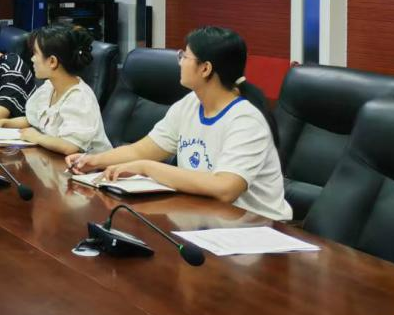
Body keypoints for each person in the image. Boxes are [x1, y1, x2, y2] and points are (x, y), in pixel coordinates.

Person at [65, 26, 292, 221]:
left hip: (256, 228)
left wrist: (147, 168)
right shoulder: (191, 103)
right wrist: (93, 160)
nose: (180, 62)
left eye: (185, 56)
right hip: (206, 217)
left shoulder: (246, 120)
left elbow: (225, 188)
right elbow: (143, 149)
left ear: (205, 68)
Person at [0, 25, 111, 155]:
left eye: (35, 53)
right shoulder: (49, 87)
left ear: (52, 61)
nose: (32, 59)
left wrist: (38, 138)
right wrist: (6, 123)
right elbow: (35, 120)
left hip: (89, 165)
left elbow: (70, 146)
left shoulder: (80, 98)